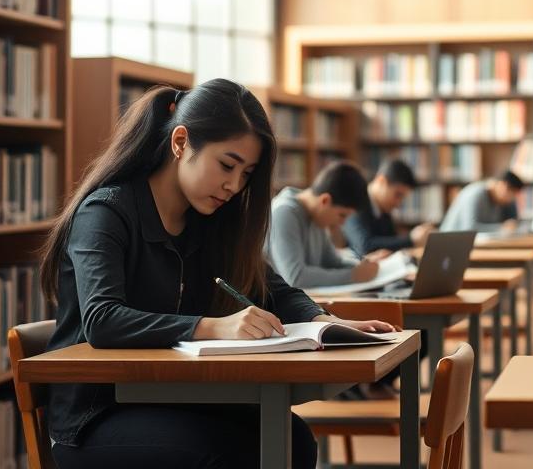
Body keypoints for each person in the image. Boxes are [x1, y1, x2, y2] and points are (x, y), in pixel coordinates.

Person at [40, 80, 394, 469]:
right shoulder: (106, 214)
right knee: (223, 455)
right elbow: (102, 320)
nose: (234, 185)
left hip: (168, 396)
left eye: (246, 173)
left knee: (293, 440)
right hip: (94, 416)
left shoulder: (209, 222)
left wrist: (327, 323)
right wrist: (214, 327)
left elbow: (272, 288)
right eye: (227, 165)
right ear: (180, 143)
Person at [267, 161, 392, 288]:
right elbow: (296, 277)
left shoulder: (316, 216)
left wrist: (364, 266)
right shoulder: (284, 212)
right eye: (342, 215)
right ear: (325, 200)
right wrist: (353, 275)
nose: (342, 223)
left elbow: (331, 261)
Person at [344, 158, 434, 255]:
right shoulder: (356, 201)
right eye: (398, 195)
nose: (398, 204)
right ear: (381, 181)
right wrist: (411, 239)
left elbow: (391, 242)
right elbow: (365, 246)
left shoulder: (384, 210)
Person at [437, 169, 523, 233]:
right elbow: (470, 229)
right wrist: (502, 228)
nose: (513, 199)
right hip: (452, 242)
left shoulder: (501, 202)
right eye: (513, 194)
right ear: (503, 186)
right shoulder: (476, 193)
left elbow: (513, 222)